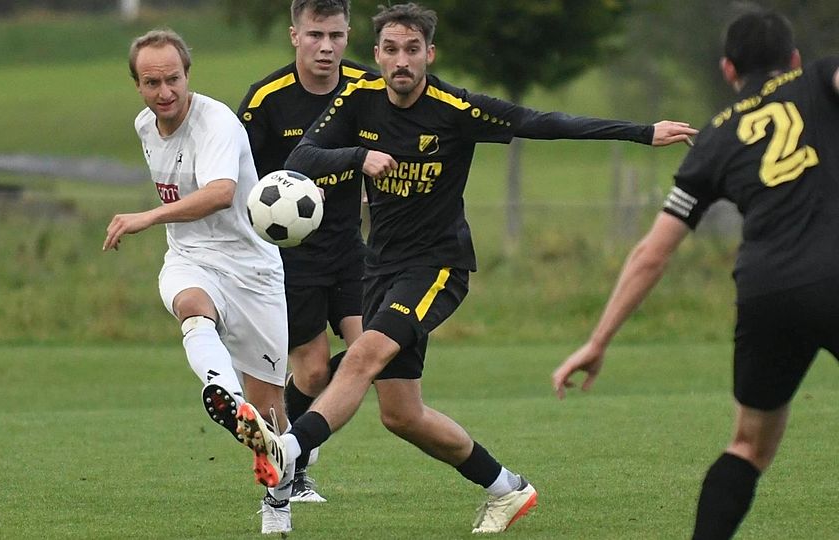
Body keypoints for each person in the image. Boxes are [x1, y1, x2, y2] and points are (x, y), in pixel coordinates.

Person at [233, 2, 698, 534]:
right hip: (381, 267)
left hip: (436, 269)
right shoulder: (356, 100)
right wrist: (356, 158)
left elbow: (539, 122)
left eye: (412, 49)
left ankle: (289, 451)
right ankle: (508, 489)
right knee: (402, 416)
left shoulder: (455, 107)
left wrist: (641, 132)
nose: (401, 60)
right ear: (377, 54)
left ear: (429, 54)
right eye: (391, 49)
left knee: (360, 355)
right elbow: (302, 158)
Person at [552, 8, 839, 539]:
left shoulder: (713, 139)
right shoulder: (820, 80)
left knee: (749, 447)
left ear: (729, 70)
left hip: (766, 292)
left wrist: (597, 341)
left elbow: (652, 254)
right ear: (793, 60)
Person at [103, 29, 294, 535]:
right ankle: (223, 393)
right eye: (151, 82)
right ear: (137, 84)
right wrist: (165, 226)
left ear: (188, 74)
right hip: (191, 257)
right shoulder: (145, 126)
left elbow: (219, 194)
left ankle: (279, 497)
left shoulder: (218, 124)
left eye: (172, 80)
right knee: (191, 304)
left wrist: (147, 217)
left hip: (252, 269)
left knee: (273, 410)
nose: (164, 92)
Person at [236, 0, 374, 504]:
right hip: (290, 257)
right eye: (315, 35)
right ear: (295, 35)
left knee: (375, 352)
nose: (327, 47)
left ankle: (295, 444)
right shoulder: (267, 99)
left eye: (336, 36)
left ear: (349, 35)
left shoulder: (366, 86)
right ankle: (295, 455)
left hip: (349, 247)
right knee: (313, 372)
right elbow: (235, 170)